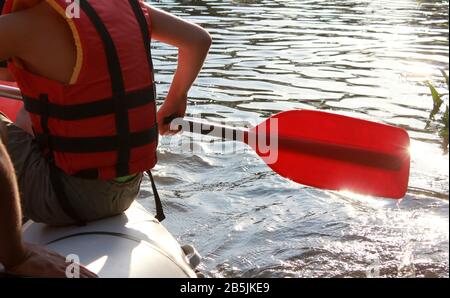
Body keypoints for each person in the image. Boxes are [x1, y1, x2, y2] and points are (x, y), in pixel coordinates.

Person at [0, 0, 211, 277]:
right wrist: (175, 99)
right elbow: (198, 40)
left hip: (63, 200)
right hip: (124, 189)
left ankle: (15, 248)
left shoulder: (20, 26)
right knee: (33, 107)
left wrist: (18, 257)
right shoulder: (124, 5)